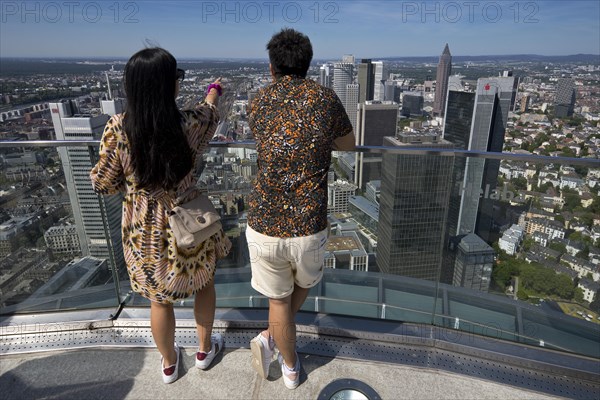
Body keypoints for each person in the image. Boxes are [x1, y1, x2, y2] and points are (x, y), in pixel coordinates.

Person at [90, 47, 231, 384]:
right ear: (169, 85)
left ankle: (169, 364)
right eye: (176, 77)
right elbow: (211, 112)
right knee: (204, 283)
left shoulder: (117, 129)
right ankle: (203, 350)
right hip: (189, 221)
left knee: (159, 300)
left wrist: (133, 186)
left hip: (145, 230)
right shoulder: (188, 123)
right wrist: (214, 89)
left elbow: (103, 183)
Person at [246, 29, 355, 390]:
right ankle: (288, 362)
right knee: (305, 283)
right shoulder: (325, 99)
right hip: (308, 222)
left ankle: (284, 356)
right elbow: (348, 144)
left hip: (264, 220)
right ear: (308, 64)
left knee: (278, 299)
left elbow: (263, 136)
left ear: (272, 65)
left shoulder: (259, 100)